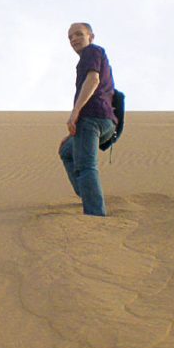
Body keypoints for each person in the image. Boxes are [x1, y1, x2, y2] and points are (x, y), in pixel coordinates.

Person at [58, 22, 117, 216]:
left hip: (92, 118)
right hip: (104, 121)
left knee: (86, 166)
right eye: (70, 37)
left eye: (78, 34)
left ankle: (95, 215)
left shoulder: (91, 52)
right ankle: (87, 194)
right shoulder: (94, 55)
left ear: (91, 36)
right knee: (67, 151)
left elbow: (93, 80)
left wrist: (75, 112)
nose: (73, 39)